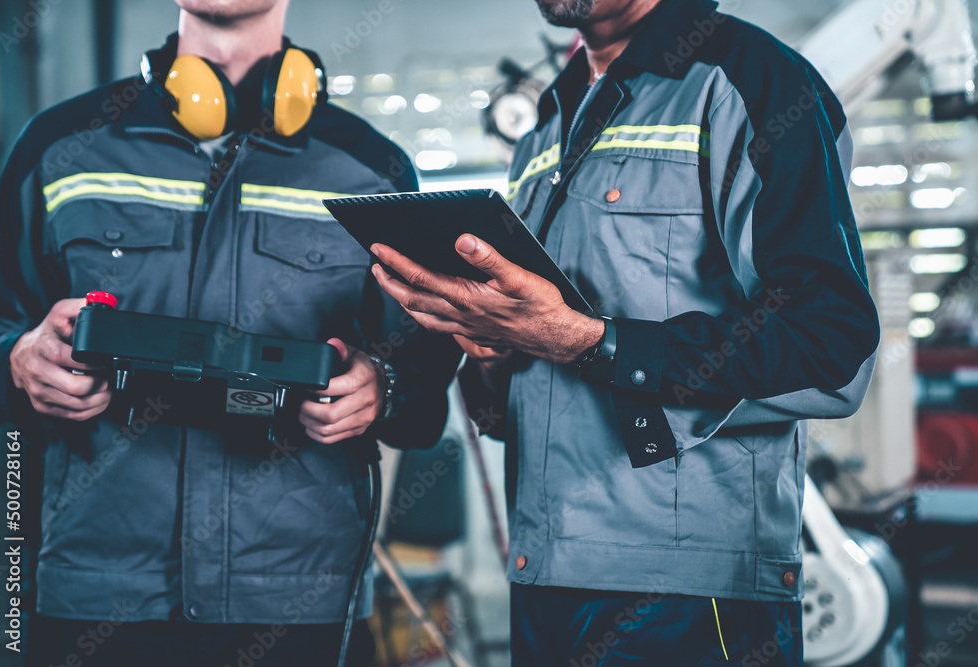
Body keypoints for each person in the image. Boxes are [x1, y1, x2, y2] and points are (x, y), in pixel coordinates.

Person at [371, 0, 880, 664]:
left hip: (688, 590)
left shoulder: (754, 83)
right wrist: (493, 349)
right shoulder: (545, 126)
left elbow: (831, 348)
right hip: (544, 571)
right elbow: (516, 394)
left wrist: (588, 341)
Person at [0, 1, 460, 665]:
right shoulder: (60, 147)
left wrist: (379, 390)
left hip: (298, 599)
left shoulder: (371, 171)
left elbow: (424, 392)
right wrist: (14, 360)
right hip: (95, 593)